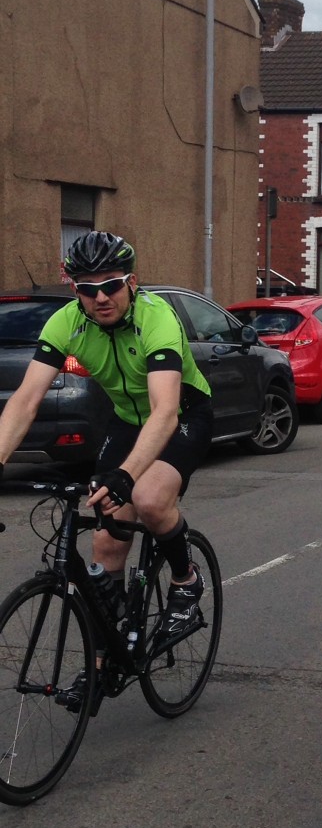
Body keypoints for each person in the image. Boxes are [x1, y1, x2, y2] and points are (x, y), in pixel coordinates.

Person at [0, 231, 215, 708]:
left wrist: (128, 474)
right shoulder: (66, 323)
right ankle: (103, 662)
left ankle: (185, 580)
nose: (100, 298)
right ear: (72, 287)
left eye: (111, 285)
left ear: (132, 282)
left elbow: (164, 412)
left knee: (149, 498)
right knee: (104, 541)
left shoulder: (157, 319)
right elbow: (25, 401)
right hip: (125, 419)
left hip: (182, 414)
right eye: (86, 287)